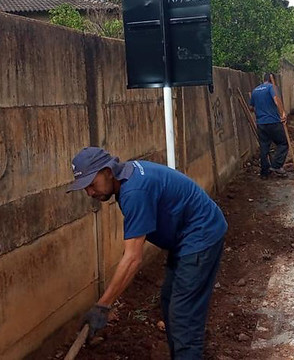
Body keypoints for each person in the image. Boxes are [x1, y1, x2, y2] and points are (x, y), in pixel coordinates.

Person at [67, 147, 227, 358]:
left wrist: (102, 306)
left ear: (108, 171)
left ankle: (187, 353)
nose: (89, 193)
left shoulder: (134, 192)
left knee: (183, 316)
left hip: (200, 236)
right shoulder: (129, 177)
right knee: (170, 300)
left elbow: (132, 258)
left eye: (91, 184)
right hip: (185, 238)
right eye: (85, 188)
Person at [249, 72, 289, 178]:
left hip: (261, 124)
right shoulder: (272, 87)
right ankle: (276, 165)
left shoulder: (255, 90)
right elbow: (276, 100)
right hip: (273, 122)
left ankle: (264, 173)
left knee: (264, 147)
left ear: (263, 79)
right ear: (272, 79)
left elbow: (251, 108)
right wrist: (283, 113)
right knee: (283, 143)